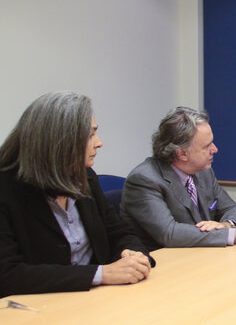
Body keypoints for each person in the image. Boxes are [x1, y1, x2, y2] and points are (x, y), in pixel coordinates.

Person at [0, 92, 153, 297]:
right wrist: (101, 274)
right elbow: (8, 275)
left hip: (94, 301)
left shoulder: (85, 176)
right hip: (37, 312)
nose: (99, 143)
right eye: (90, 135)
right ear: (59, 142)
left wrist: (131, 253)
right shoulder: (7, 190)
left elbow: (118, 232)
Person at [121, 107, 236, 250]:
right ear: (182, 154)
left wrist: (227, 225)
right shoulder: (144, 180)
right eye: (207, 146)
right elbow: (169, 233)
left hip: (200, 256)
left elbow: (233, 210)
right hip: (163, 264)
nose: (215, 149)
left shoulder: (203, 171)